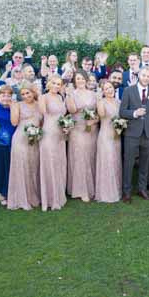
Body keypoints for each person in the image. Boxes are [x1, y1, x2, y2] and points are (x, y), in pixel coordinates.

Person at [119, 67, 149, 202]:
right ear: (139, 75)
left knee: (145, 163)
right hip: (132, 132)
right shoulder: (129, 91)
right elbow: (122, 111)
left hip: (148, 133)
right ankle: (127, 192)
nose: (146, 78)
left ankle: (142, 189)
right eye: (144, 75)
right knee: (129, 163)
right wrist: (134, 113)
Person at [7, 84, 42, 211]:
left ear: (33, 92)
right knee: (22, 166)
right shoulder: (18, 105)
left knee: (33, 166)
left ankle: (34, 196)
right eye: (23, 94)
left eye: (28, 93)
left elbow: (42, 122)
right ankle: (21, 198)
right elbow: (14, 122)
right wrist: (13, 108)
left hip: (35, 139)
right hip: (21, 138)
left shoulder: (40, 104)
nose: (26, 96)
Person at [65, 70, 98, 202]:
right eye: (77, 79)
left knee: (90, 156)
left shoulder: (94, 94)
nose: (80, 81)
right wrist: (69, 95)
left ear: (86, 79)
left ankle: (92, 187)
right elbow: (72, 110)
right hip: (77, 128)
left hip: (91, 129)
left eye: (82, 78)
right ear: (74, 80)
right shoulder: (71, 94)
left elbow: (98, 113)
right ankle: (81, 190)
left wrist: (94, 121)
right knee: (80, 157)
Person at [38, 74, 68, 211]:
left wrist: (66, 126)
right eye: (54, 83)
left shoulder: (61, 97)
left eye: (59, 84)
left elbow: (63, 115)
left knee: (58, 163)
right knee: (49, 163)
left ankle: (59, 196)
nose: (56, 86)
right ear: (48, 83)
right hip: (49, 132)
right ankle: (49, 199)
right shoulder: (43, 97)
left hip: (60, 134)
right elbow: (43, 113)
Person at [94, 81, 122, 202]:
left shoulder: (118, 102)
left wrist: (121, 125)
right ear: (103, 91)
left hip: (117, 135)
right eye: (106, 89)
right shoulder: (101, 102)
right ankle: (106, 192)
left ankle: (116, 189)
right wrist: (99, 100)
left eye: (110, 87)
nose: (109, 90)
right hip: (105, 135)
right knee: (108, 161)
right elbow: (101, 114)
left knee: (115, 161)